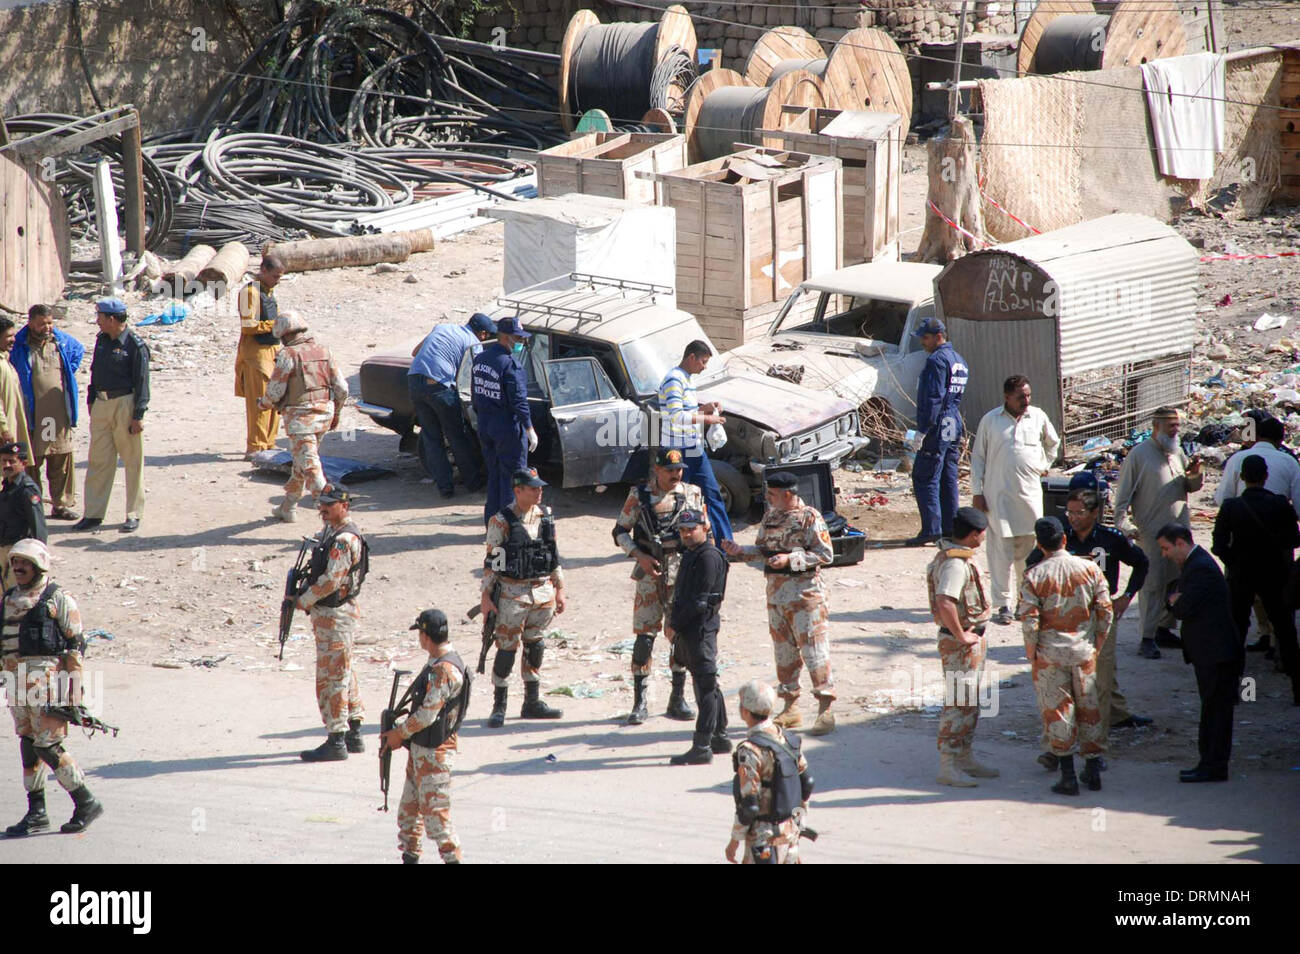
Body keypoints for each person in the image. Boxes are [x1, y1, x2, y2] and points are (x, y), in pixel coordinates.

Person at [1025, 488, 1152, 771]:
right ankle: (1053, 747)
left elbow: (1142, 562)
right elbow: (1032, 563)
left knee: (1099, 685)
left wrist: (1126, 597)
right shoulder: (1060, 538)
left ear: (1095, 513)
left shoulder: (1111, 539)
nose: (1073, 518)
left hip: (1097, 618)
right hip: (1060, 619)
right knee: (1057, 688)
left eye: (1080, 513)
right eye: (1069, 512)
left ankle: (1095, 749)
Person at [722, 471, 836, 735]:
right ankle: (791, 708)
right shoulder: (771, 517)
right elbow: (762, 550)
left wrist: (789, 560)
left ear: (788, 494)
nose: (768, 498)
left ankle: (825, 708)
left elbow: (825, 554)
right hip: (776, 596)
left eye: (772, 494)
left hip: (805, 596)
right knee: (784, 654)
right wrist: (739, 552)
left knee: (814, 651)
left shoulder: (810, 517)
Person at [1, 539, 102, 835]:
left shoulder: (57, 598)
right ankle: (36, 812)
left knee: (48, 745)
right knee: (29, 743)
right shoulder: (8, 599)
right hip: (15, 682)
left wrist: (74, 688)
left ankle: (85, 800)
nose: (18, 567)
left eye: (25, 563)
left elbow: (75, 646)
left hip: (46, 683)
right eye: (15, 562)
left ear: (39, 566)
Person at [1019, 516, 1113, 795]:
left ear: (1039, 543)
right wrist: (1097, 643)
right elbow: (1105, 611)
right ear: (1064, 539)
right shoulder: (1090, 569)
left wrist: (1031, 653)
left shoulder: (1033, 576)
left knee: (1059, 711)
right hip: (1084, 651)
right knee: (1090, 708)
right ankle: (1093, 769)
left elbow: (1029, 622)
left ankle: (1068, 776)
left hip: (1050, 654)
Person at [611, 447, 705, 725]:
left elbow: (703, 530)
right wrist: (639, 555)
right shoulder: (639, 496)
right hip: (650, 572)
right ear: (657, 471)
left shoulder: (692, 493)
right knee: (644, 638)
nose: (675, 475)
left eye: (679, 471)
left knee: (681, 635)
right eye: (669, 471)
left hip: (683, 571)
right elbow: (619, 532)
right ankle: (640, 701)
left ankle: (677, 698)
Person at [969, 374, 1061, 625]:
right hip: (997, 497)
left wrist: (1043, 464)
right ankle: (1003, 605)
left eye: (1029, 395)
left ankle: (1025, 600)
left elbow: (1053, 444)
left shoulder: (1038, 416)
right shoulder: (991, 420)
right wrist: (977, 492)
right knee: (1001, 553)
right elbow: (977, 458)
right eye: (1021, 397)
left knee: (1029, 551)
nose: (1026, 401)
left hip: (1029, 497)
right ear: (1007, 397)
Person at [1113, 407, 1203, 659]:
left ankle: (1164, 629)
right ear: (1156, 426)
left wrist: (1196, 473)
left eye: (1177, 425)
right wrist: (1127, 527)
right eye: (1170, 426)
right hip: (1151, 533)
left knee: (1175, 580)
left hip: (1179, 532)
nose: (1176, 430)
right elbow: (1121, 500)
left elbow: (1190, 486)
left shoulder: (1177, 453)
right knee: (1152, 584)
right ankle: (1147, 637)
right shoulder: (1139, 456)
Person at [1211, 454, 1299, 704]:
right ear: (1266, 477)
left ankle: (1233, 690)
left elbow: (1218, 545)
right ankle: (1297, 688)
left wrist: (1235, 562)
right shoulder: (1281, 504)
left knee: (1236, 631)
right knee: (1285, 630)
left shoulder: (1231, 507)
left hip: (1242, 575)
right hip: (1274, 575)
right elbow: (1293, 540)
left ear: (1241, 478)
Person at [382, 609, 468, 865]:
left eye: (419, 633)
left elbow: (427, 715)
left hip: (434, 755)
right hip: (421, 750)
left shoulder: (444, 669)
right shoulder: (436, 663)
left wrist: (399, 733)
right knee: (408, 815)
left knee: (437, 821)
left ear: (425, 635)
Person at [481, 468, 566, 728]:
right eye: (532, 488)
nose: (539, 491)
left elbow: (553, 554)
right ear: (518, 490)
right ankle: (500, 705)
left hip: (542, 592)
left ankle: (532, 701)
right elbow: (493, 562)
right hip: (512, 594)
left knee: (535, 645)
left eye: (539, 487)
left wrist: (560, 588)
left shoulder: (547, 516)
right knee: (507, 648)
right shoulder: (501, 521)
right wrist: (486, 596)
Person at [1158, 524, 1242, 782]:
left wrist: (1175, 600)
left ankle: (1213, 766)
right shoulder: (1196, 565)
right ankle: (1210, 763)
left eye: (1166, 548)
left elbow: (1181, 607)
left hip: (1216, 653)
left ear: (1180, 542)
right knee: (1213, 709)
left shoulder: (1201, 569)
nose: (1164, 554)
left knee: (1216, 712)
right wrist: (1174, 599)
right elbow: (1173, 598)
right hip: (1211, 652)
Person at [1212, 413, 1300, 655]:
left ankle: (1234, 661)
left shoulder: (1237, 459)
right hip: (1276, 561)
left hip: (1241, 559)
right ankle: (1284, 657)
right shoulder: (1289, 464)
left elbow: (1222, 503)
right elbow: (1296, 527)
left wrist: (1232, 560)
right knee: (1282, 613)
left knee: (1237, 614)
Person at [925, 505, 995, 787]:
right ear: (974, 535)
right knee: (958, 703)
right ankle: (948, 764)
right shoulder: (955, 564)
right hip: (960, 643)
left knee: (969, 702)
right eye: (983, 534)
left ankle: (964, 756)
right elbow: (945, 601)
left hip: (970, 639)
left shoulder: (956, 554)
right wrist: (961, 635)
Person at [297, 488, 368, 762]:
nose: (323, 509)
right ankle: (354, 733)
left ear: (344, 505)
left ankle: (336, 738)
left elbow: (330, 581)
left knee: (331, 678)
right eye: (321, 504)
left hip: (334, 616)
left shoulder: (343, 540)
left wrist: (304, 599)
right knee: (345, 671)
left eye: (329, 505)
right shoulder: (331, 532)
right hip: (333, 614)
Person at [260, 311, 348, 522]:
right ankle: (287, 506)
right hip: (324, 416)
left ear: (282, 335)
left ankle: (338, 520)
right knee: (302, 463)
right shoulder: (324, 351)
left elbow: (275, 391)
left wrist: (263, 404)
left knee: (311, 469)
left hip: (301, 420)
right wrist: (336, 412)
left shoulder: (288, 355)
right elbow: (342, 389)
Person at [73, 298, 150, 533]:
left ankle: (133, 514)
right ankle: (94, 514)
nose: (97, 321)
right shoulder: (102, 341)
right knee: (99, 460)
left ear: (112, 319)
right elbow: (96, 372)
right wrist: (91, 401)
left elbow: (142, 382)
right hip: (102, 404)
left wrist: (138, 415)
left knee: (132, 461)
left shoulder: (135, 345)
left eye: (100, 317)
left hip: (124, 405)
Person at [667, 508, 730, 765]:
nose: (686, 534)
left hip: (699, 628)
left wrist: (675, 625)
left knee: (704, 685)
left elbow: (700, 602)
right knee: (706, 681)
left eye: (691, 529)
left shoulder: (708, 557)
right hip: (691, 628)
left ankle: (703, 744)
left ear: (704, 527)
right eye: (682, 530)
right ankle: (720, 735)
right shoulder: (692, 554)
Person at [409, 313, 495, 498]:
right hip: (439, 386)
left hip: (414, 381)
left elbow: (415, 352)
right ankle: (473, 483)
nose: (486, 338)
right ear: (482, 333)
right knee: (457, 435)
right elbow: (474, 373)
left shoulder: (442, 327)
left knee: (432, 438)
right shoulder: (474, 343)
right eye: (487, 335)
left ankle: (445, 488)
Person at [725, 679, 812, 865]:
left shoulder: (750, 750)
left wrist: (734, 840)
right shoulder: (788, 739)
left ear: (745, 712)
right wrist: (798, 823)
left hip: (763, 836)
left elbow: (750, 804)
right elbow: (807, 783)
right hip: (789, 831)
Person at [657, 340, 733, 543]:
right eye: (703, 362)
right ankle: (677, 543)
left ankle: (725, 542)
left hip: (693, 447)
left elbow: (687, 414)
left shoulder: (688, 379)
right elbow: (675, 416)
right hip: (676, 450)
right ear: (692, 357)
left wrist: (705, 408)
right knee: (677, 500)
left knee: (712, 494)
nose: (705, 367)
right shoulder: (674, 379)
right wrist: (707, 419)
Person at [12, 304, 83, 519]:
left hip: (54, 417)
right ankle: (34, 505)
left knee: (58, 458)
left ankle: (60, 505)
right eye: (42, 323)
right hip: (32, 416)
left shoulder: (59, 342)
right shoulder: (20, 345)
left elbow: (77, 350)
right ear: (31, 322)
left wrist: (68, 371)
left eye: (50, 322)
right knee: (33, 461)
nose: (47, 327)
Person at [907, 317, 969, 546]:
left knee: (925, 476)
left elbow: (933, 397)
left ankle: (931, 529)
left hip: (938, 421)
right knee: (948, 476)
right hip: (953, 420)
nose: (922, 343)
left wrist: (922, 430)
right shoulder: (959, 360)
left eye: (925, 337)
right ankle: (951, 528)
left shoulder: (936, 360)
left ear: (938, 336)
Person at [471, 316, 538, 526]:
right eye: (518, 338)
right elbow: (519, 400)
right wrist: (529, 428)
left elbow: (475, 394)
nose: (521, 342)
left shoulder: (480, 359)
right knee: (514, 479)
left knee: (494, 476)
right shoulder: (510, 364)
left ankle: (492, 524)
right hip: (506, 427)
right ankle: (510, 526)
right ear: (506, 337)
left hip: (485, 423)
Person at [236, 254, 285, 459]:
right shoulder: (250, 293)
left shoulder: (269, 293)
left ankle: (269, 442)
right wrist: (275, 325)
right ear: (263, 271)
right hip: (255, 355)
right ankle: (255, 446)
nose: (277, 280)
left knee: (275, 398)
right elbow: (248, 326)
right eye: (275, 276)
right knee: (259, 401)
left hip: (272, 351)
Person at [0, 442, 47, 591]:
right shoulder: (7, 486)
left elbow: (38, 526)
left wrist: (37, 557)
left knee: (18, 592)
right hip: (3, 548)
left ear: (24, 463)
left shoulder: (27, 490)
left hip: (19, 551)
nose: (6, 465)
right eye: (3, 460)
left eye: (11, 461)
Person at [0, 316, 32, 468]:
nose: (13, 340)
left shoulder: (5, 361)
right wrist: (4, 429)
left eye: (13, 335)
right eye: (8, 336)